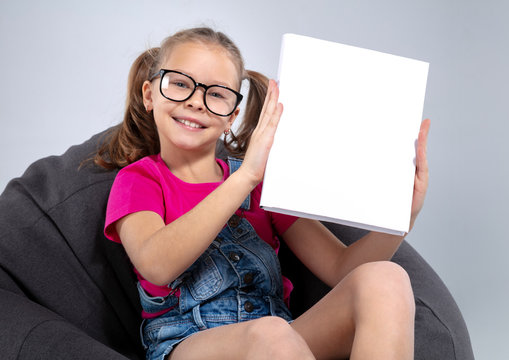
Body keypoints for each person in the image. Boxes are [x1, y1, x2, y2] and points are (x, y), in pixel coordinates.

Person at [96, 27, 431, 360]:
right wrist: (246, 178)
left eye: (216, 94)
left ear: (232, 115)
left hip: (281, 341)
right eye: (180, 84)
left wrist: (401, 218)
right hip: (188, 343)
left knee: (385, 279)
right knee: (270, 334)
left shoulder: (260, 185)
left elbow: (342, 268)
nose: (196, 102)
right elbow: (157, 265)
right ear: (149, 94)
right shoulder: (139, 180)